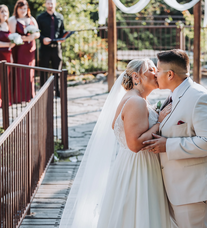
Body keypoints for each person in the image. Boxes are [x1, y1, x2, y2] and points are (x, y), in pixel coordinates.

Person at [59, 59, 176, 228]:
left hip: (130, 165)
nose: (156, 73)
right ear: (136, 76)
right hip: (139, 168)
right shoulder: (136, 101)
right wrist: (160, 123)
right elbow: (135, 145)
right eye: (151, 70)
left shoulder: (135, 98)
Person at [142, 49, 207, 228]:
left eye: (158, 70)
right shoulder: (174, 94)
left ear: (170, 74)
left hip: (197, 190)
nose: (155, 74)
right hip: (180, 187)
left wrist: (168, 145)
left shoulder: (200, 97)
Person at [9, 0, 40, 103]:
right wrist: (26, 38)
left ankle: (30, 95)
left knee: (30, 71)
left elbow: (38, 34)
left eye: (25, 8)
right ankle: (20, 97)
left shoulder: (31, 19)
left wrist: (33, 36)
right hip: (20, 49)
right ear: (17, 9)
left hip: (31, 50)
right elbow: (13, 36)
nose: (23, 10)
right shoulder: (13, 20)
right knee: (21, 71)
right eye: (21, 8)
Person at [37, 0, 65, 96]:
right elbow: (37, 32)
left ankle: (57, 92)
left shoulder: (60, 17)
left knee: (57, 71)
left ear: (55, 4)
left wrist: (63, 38)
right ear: (45, 4)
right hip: (45, 48)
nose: (50, 5)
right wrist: (43, 38)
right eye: (48, 3)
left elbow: (62, 31)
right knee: (43, 71)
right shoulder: (40, 18)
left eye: (52, 3)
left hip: (56, 48)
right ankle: (43, 94)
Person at [0, 4, 14, 106]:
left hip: (8, 54)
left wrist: (11, 54)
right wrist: (8, 44)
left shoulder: (8, 25)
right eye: (2, 11)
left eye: (6, 11)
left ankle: (6, 100)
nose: (4, 13)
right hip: (0, 54)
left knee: (6, 77)